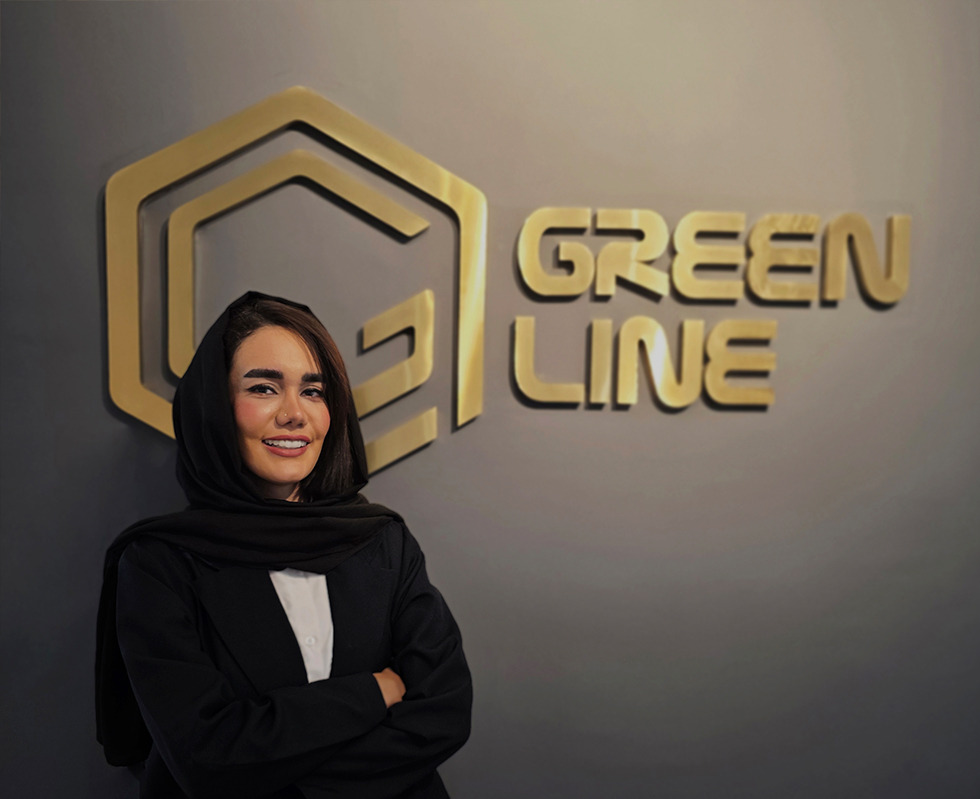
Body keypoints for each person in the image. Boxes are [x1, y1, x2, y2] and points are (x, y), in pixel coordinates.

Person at [95, 291, 472, 799]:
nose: (295, 414)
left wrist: (273, 768)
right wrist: (373, 691)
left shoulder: (384, 541)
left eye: (313, 391)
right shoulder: (159, 564)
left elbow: (443, 713)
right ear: (215, 407)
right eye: (264, 388)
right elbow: (207, 755)